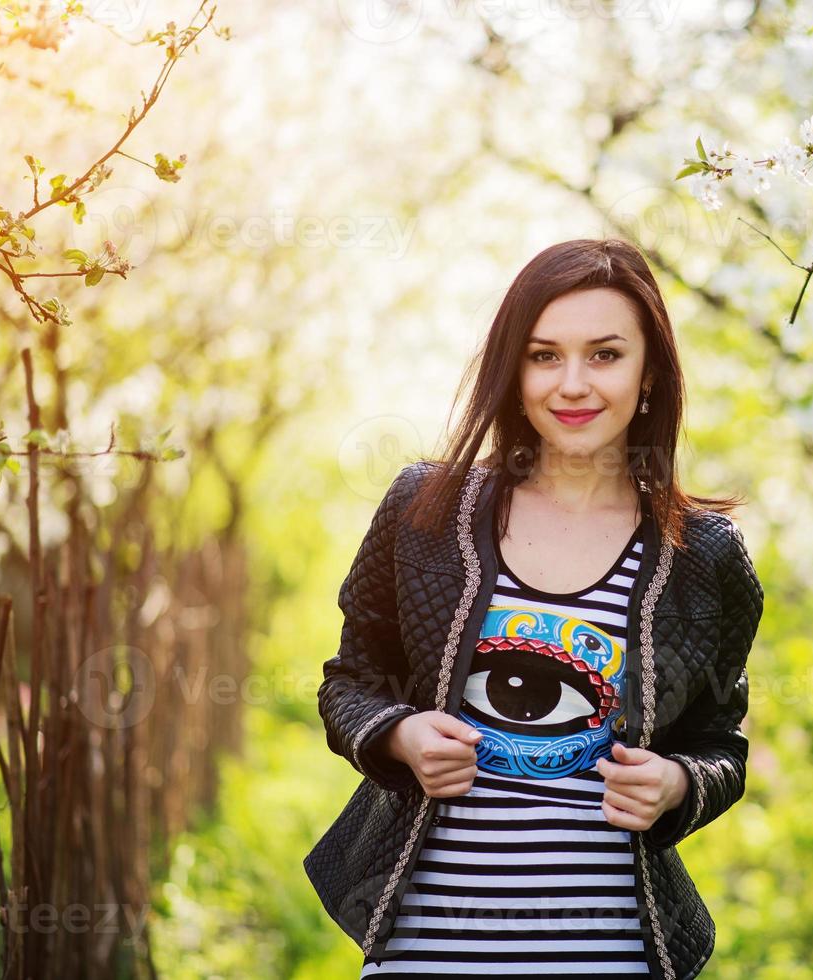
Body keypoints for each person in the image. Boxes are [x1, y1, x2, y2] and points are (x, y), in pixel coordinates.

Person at [305, 238, 764, 979]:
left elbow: (721, 745)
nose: (573, 384)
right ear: (512, 371)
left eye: (605, 355)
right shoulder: (426, 514)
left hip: (610, 953)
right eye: (545, 355)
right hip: (426, 951)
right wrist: (400, 735)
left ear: (650, 374)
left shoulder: (702, 556)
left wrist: (678, 785)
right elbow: (349, 683)